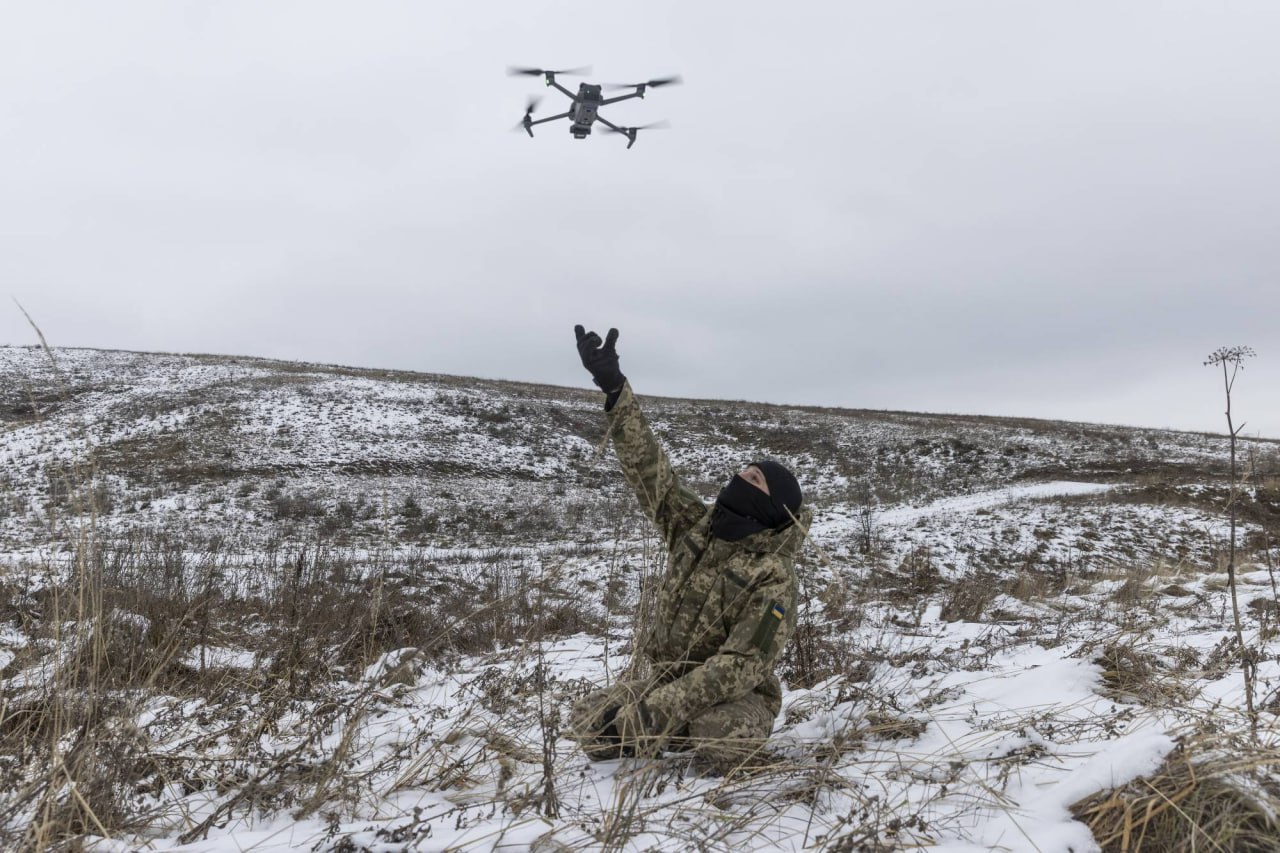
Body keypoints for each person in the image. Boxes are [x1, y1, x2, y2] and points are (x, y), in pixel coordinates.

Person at [566, 325, 810, 774]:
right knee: (588, 722)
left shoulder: (774, 576)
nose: (739, 478)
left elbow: (740, 667)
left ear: (771, 506)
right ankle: (668, 735)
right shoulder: (695, 527)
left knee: (719, 733)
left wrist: (653, 714)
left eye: (754, 479)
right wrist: (615, 388)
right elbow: (650, 471)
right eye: (744, 471)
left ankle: (677, 736)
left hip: (736, 697)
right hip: (664, 681)